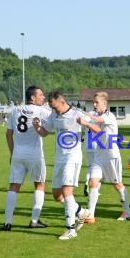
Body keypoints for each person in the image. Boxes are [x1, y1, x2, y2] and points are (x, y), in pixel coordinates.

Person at [32, 91, 100, 240]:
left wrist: (87, 123)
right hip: (59, 159)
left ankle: (70, 229)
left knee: (67, 191)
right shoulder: (54, 115)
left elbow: (98, 130)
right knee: (57, 195)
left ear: (62, 102)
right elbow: (44, 132)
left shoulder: (77, 113)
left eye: (55, 107)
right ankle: (81, 212)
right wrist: (36, 126)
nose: (53, 110)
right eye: (51, 108)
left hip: (72, 158)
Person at [1, 85, 51, 231]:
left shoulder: (15, 110)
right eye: (40, 95)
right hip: (34, 154)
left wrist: (12, 153)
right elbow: (52, 124)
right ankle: (34, 221)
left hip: (17, 154)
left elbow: (8, 134)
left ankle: (7, 223)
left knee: (14, 186)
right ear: (32, 98)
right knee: (40, 184)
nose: (43, 97)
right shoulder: (41, 111)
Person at [85, 92, 130, 223]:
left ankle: (127, 212)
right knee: (92, 182)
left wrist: (87, 119)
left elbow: (97, 123)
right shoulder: (94, 115)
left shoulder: (110, 116)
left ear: (105, 104)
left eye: (97, 103)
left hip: (111, 156)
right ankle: (90, 215)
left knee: (117, 185)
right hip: (98, 155)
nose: (94, 105)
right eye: (93, 102)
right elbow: (92, 122)